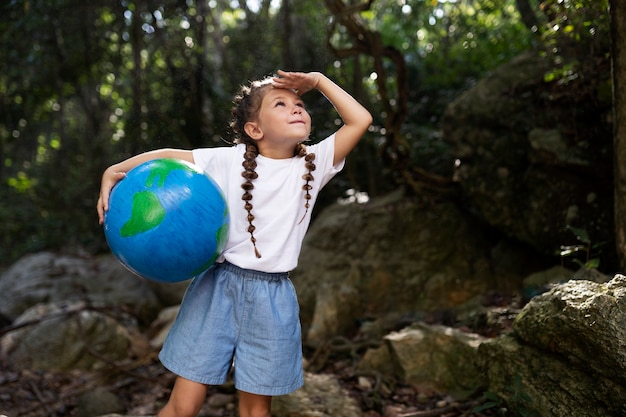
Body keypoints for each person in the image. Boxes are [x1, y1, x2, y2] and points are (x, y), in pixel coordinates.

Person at [96, 70, 372, 417]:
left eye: (300, 103)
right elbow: (167, 157)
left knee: (255, 412)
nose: (297, 109)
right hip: (218, 288)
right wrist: (114, 170)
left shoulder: (312, 166)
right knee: (184, 405)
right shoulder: (230, 160)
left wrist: (317, 81)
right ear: (254, 129)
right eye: (281, 104)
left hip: (273, 301)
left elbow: (360, 119)